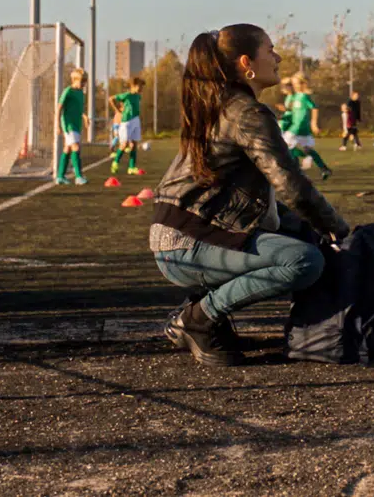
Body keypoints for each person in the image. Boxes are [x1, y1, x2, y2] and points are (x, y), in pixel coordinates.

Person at [150, 25, 350, 366]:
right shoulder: (247, 112)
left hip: (178, 237)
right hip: (186, 243)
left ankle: (203, 306)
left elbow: (258, 200)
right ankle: (199, 318)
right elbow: (290, 183)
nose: (278, 57)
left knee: (302, 236)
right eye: (270, 50)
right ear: (247, 63)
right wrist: (337, 228)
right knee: (304, 260)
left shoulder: (223, 104)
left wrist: (312, 227)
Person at [285, 73, 332, 180]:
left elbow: (314, 108)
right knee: (307, 150)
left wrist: (314, 123)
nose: (294, 85)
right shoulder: (295, 96)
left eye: (296, 83)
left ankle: (296, 170)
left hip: (299, 127)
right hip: (298, 128)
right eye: (293, 83)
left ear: (302, 84)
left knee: (285, 145)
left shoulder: (304, 96)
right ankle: (324, 169)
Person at [56, 68, 90, 185]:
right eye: (82, 81)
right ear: (74, 80)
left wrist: (84, 116)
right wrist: (57, 125)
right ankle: (79, 176)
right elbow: (59, 108)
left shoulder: (81, 93)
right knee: (76, 147)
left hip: (76, 124)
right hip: (68, 123)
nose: (84, 84)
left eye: (85, 81)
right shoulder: (68, 91)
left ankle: (60, 176)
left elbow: (77, 108)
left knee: (68, 148)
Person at [110, 78, 146, 176]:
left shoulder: (138, 97)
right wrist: (117, 110)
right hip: (126, 122)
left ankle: (131, 168)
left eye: (142, 87)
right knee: (124, 144)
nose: (141, 89)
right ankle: (115, 162)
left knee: (134, 144)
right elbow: (111, 99)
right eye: (140, 86)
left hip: (136, 120)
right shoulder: (127, 95)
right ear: (133, 86)